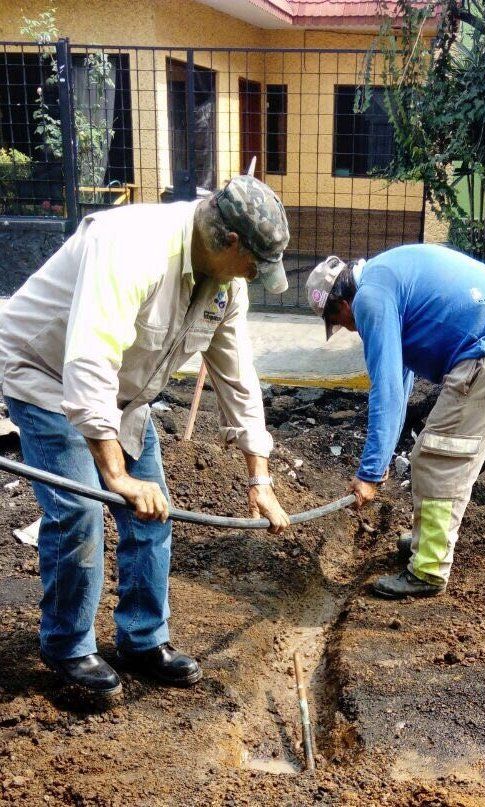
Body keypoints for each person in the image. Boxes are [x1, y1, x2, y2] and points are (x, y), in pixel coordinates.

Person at [0, 174, 292, 697]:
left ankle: (142, 639)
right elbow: (89, 360)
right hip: (45, 373)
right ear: (229, 242)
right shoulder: (132, 245)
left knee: (155, 511)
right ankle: (68, 647)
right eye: (254, 264)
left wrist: (259, 476)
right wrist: (115, 474)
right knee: (79, 511)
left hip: (123, 395)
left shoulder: (225, 284)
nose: (254, 276)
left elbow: (236, 374)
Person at [306, 243, 485, 599]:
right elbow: (399, 382)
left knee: (436, 460)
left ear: (342, 302)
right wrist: (379, 462)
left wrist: (369, 473)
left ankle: (428, 568)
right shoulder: (384, 277)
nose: (349, 330)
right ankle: (428, 542)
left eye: (340, 322)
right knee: (447, 459)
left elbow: (384, 389)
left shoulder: (369, 300)